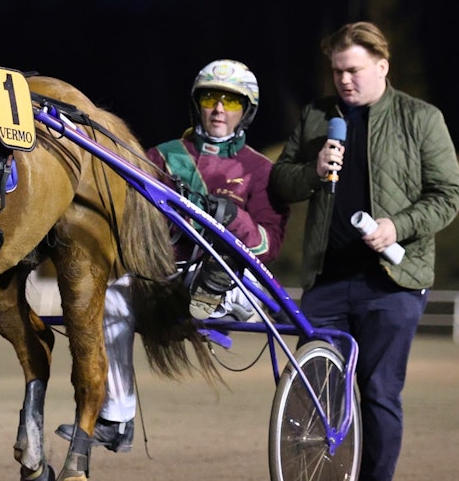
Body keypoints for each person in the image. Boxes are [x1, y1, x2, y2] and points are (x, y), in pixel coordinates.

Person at [269, 22, 459, 481]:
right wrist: (314, 168)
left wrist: (398, 224)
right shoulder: (318, 116)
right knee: (316, 392)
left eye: (353, 69)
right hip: (326, 280)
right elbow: (280, 182)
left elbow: (448, 195)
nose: (345, 80)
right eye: (337, 71)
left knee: (378, 390)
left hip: (393, 281)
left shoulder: (421, 118)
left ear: (382, 65)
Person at [56, 59, 288, 453]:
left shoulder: (261, 170)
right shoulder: (162, 157)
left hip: (240, 281)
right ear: (197, 104)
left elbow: (269, 244)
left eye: (230, 102)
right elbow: (137, 226)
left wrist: (234, 218)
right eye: (211, 98)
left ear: (245, 112)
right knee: (113, 296)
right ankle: (116, 416)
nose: (218, 109)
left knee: (225, 271)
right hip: (173, 278)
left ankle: (212, 286)